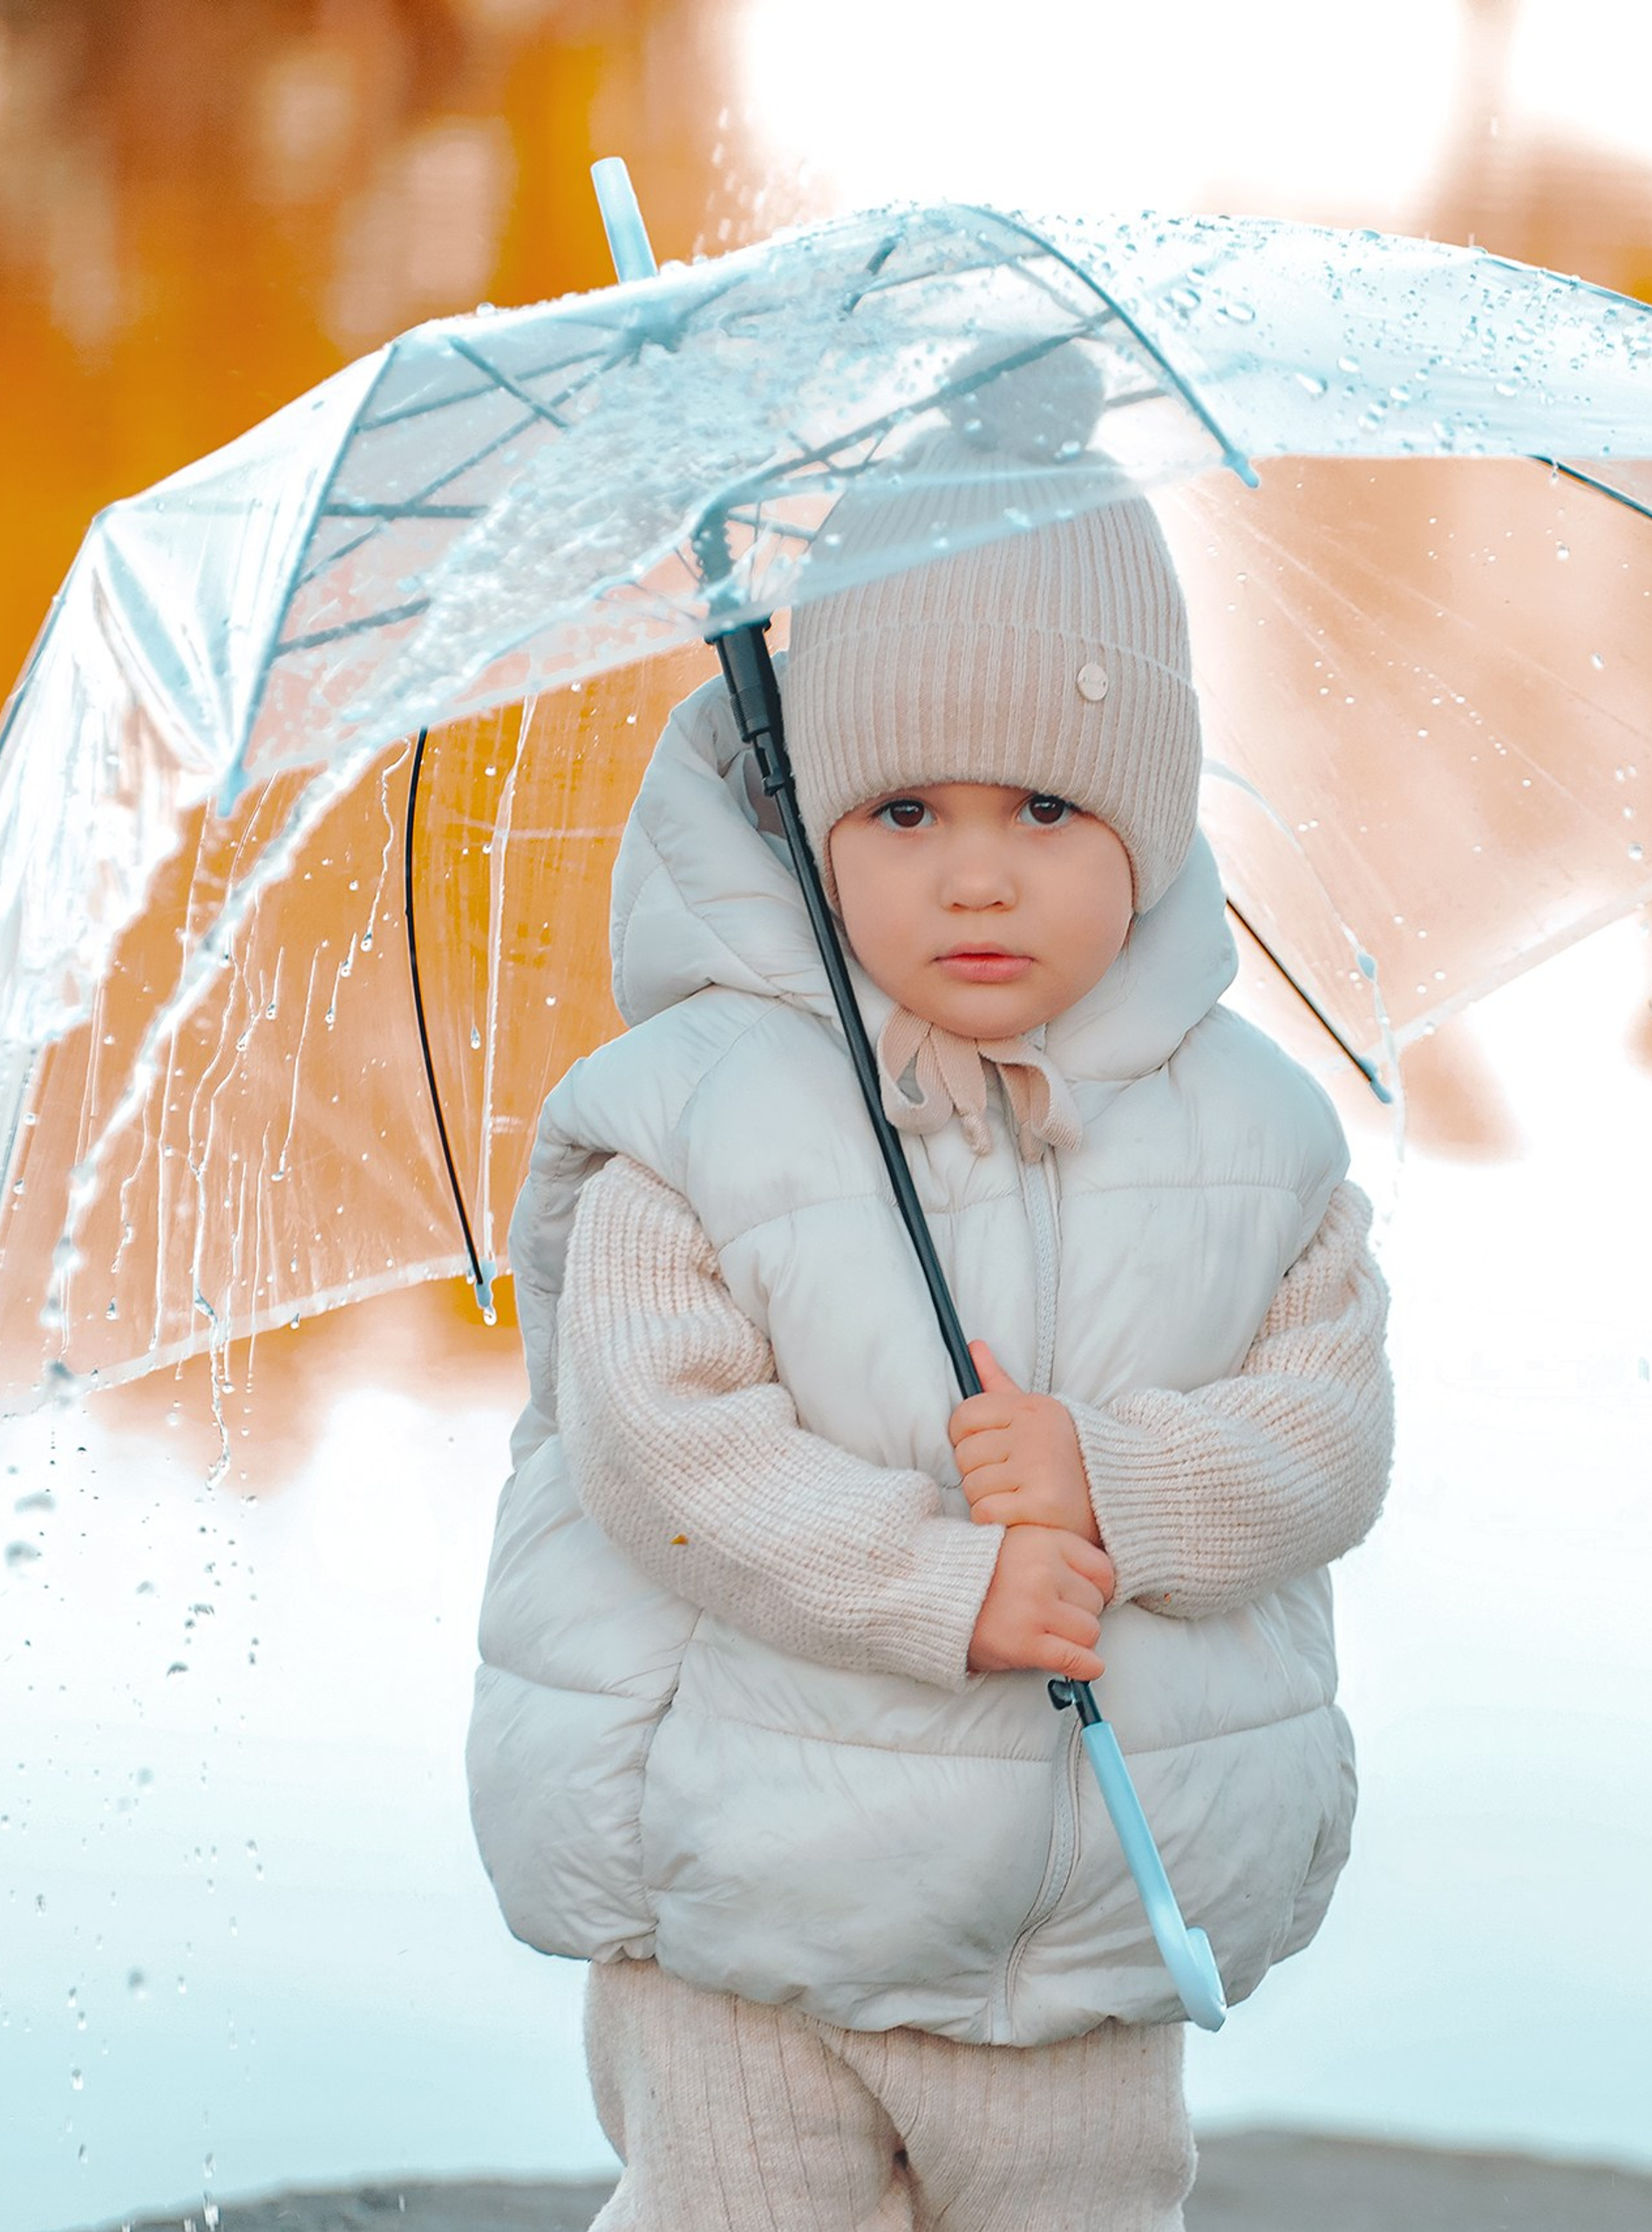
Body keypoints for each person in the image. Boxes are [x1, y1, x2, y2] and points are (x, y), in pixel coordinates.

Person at [466, 356, 1396, 2232]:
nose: (974, 873)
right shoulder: (703, 1110)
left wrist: (1112, 1480)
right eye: (902, 812)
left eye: (1045, 806)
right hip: (753, 1908)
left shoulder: (1254, 1129)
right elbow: (664, 1449)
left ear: (1142, 817)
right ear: (812, 815)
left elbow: (1330, 1431)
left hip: (1084, 1931)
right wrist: (943, 1579)